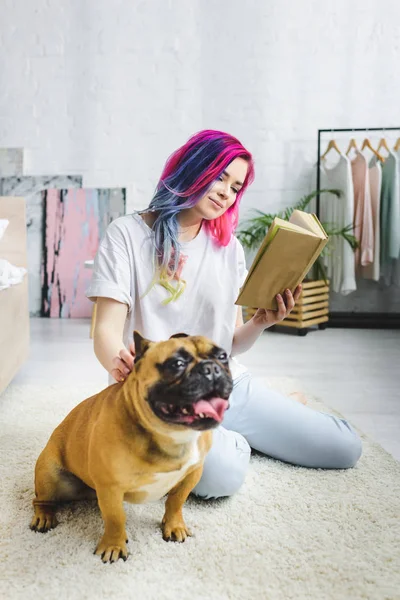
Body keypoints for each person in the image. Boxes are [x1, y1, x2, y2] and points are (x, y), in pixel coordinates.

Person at [86, 129, 362, 500]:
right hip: (161, 399)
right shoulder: (126, 235)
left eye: (235, 187)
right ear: (194, 166)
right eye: (220, 176)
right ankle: (240, 436)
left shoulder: (228, 248)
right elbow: (105, 330)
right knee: (221, 478)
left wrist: (262, 321)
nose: (225, 193)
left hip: (225, 385)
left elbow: (232, 343)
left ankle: (239, 424)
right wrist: (118, 361)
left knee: (345, 448)